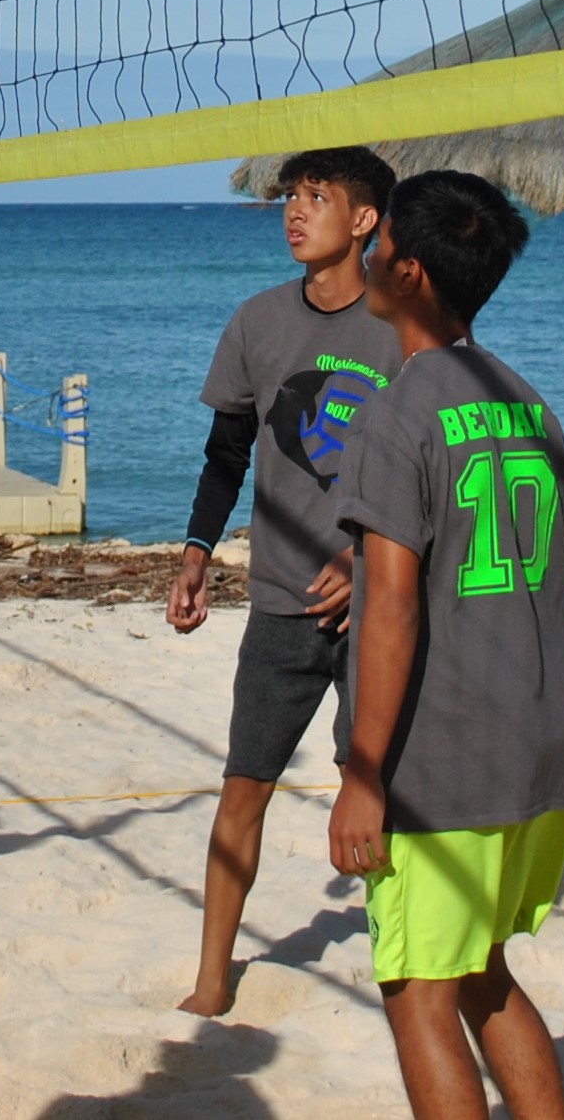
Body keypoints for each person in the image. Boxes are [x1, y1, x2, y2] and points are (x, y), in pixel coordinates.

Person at [331, 170, 564, 1120]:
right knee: (478, 969)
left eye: (378, 238)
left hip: (438, 768)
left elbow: (387, 609)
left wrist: (364, 771)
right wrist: (539, 700)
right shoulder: (532, 407)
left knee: (416, 991)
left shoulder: (396, 414)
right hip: (537, 750)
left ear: (410, 272)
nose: (362, 251)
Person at [167, 145, 400, 1016]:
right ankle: (210, 979)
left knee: (376, 795)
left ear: (365, 219)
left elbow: (436, 467)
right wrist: (196, 553)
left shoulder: (403, 328)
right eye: (289, 198)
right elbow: (226, 454)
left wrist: (370, 555)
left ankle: (405, 973)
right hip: (278, 601)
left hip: (381, 604)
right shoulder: (256, 321)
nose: (294, 212)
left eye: (316, 197)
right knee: (242, 788)